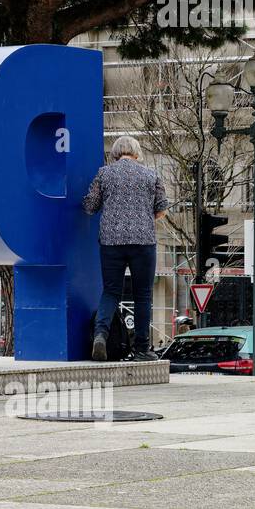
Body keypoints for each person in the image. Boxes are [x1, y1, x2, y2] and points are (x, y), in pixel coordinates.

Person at [82, 135, 170, 362]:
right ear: (137, 152)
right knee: (143, 295)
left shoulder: (104, 174)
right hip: (143, 241)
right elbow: (161, 209)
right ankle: (142, 348)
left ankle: (100, 335)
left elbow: (90, 207)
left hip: (111, 241)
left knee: (111, 291)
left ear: (115, 153)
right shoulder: (151, 175)